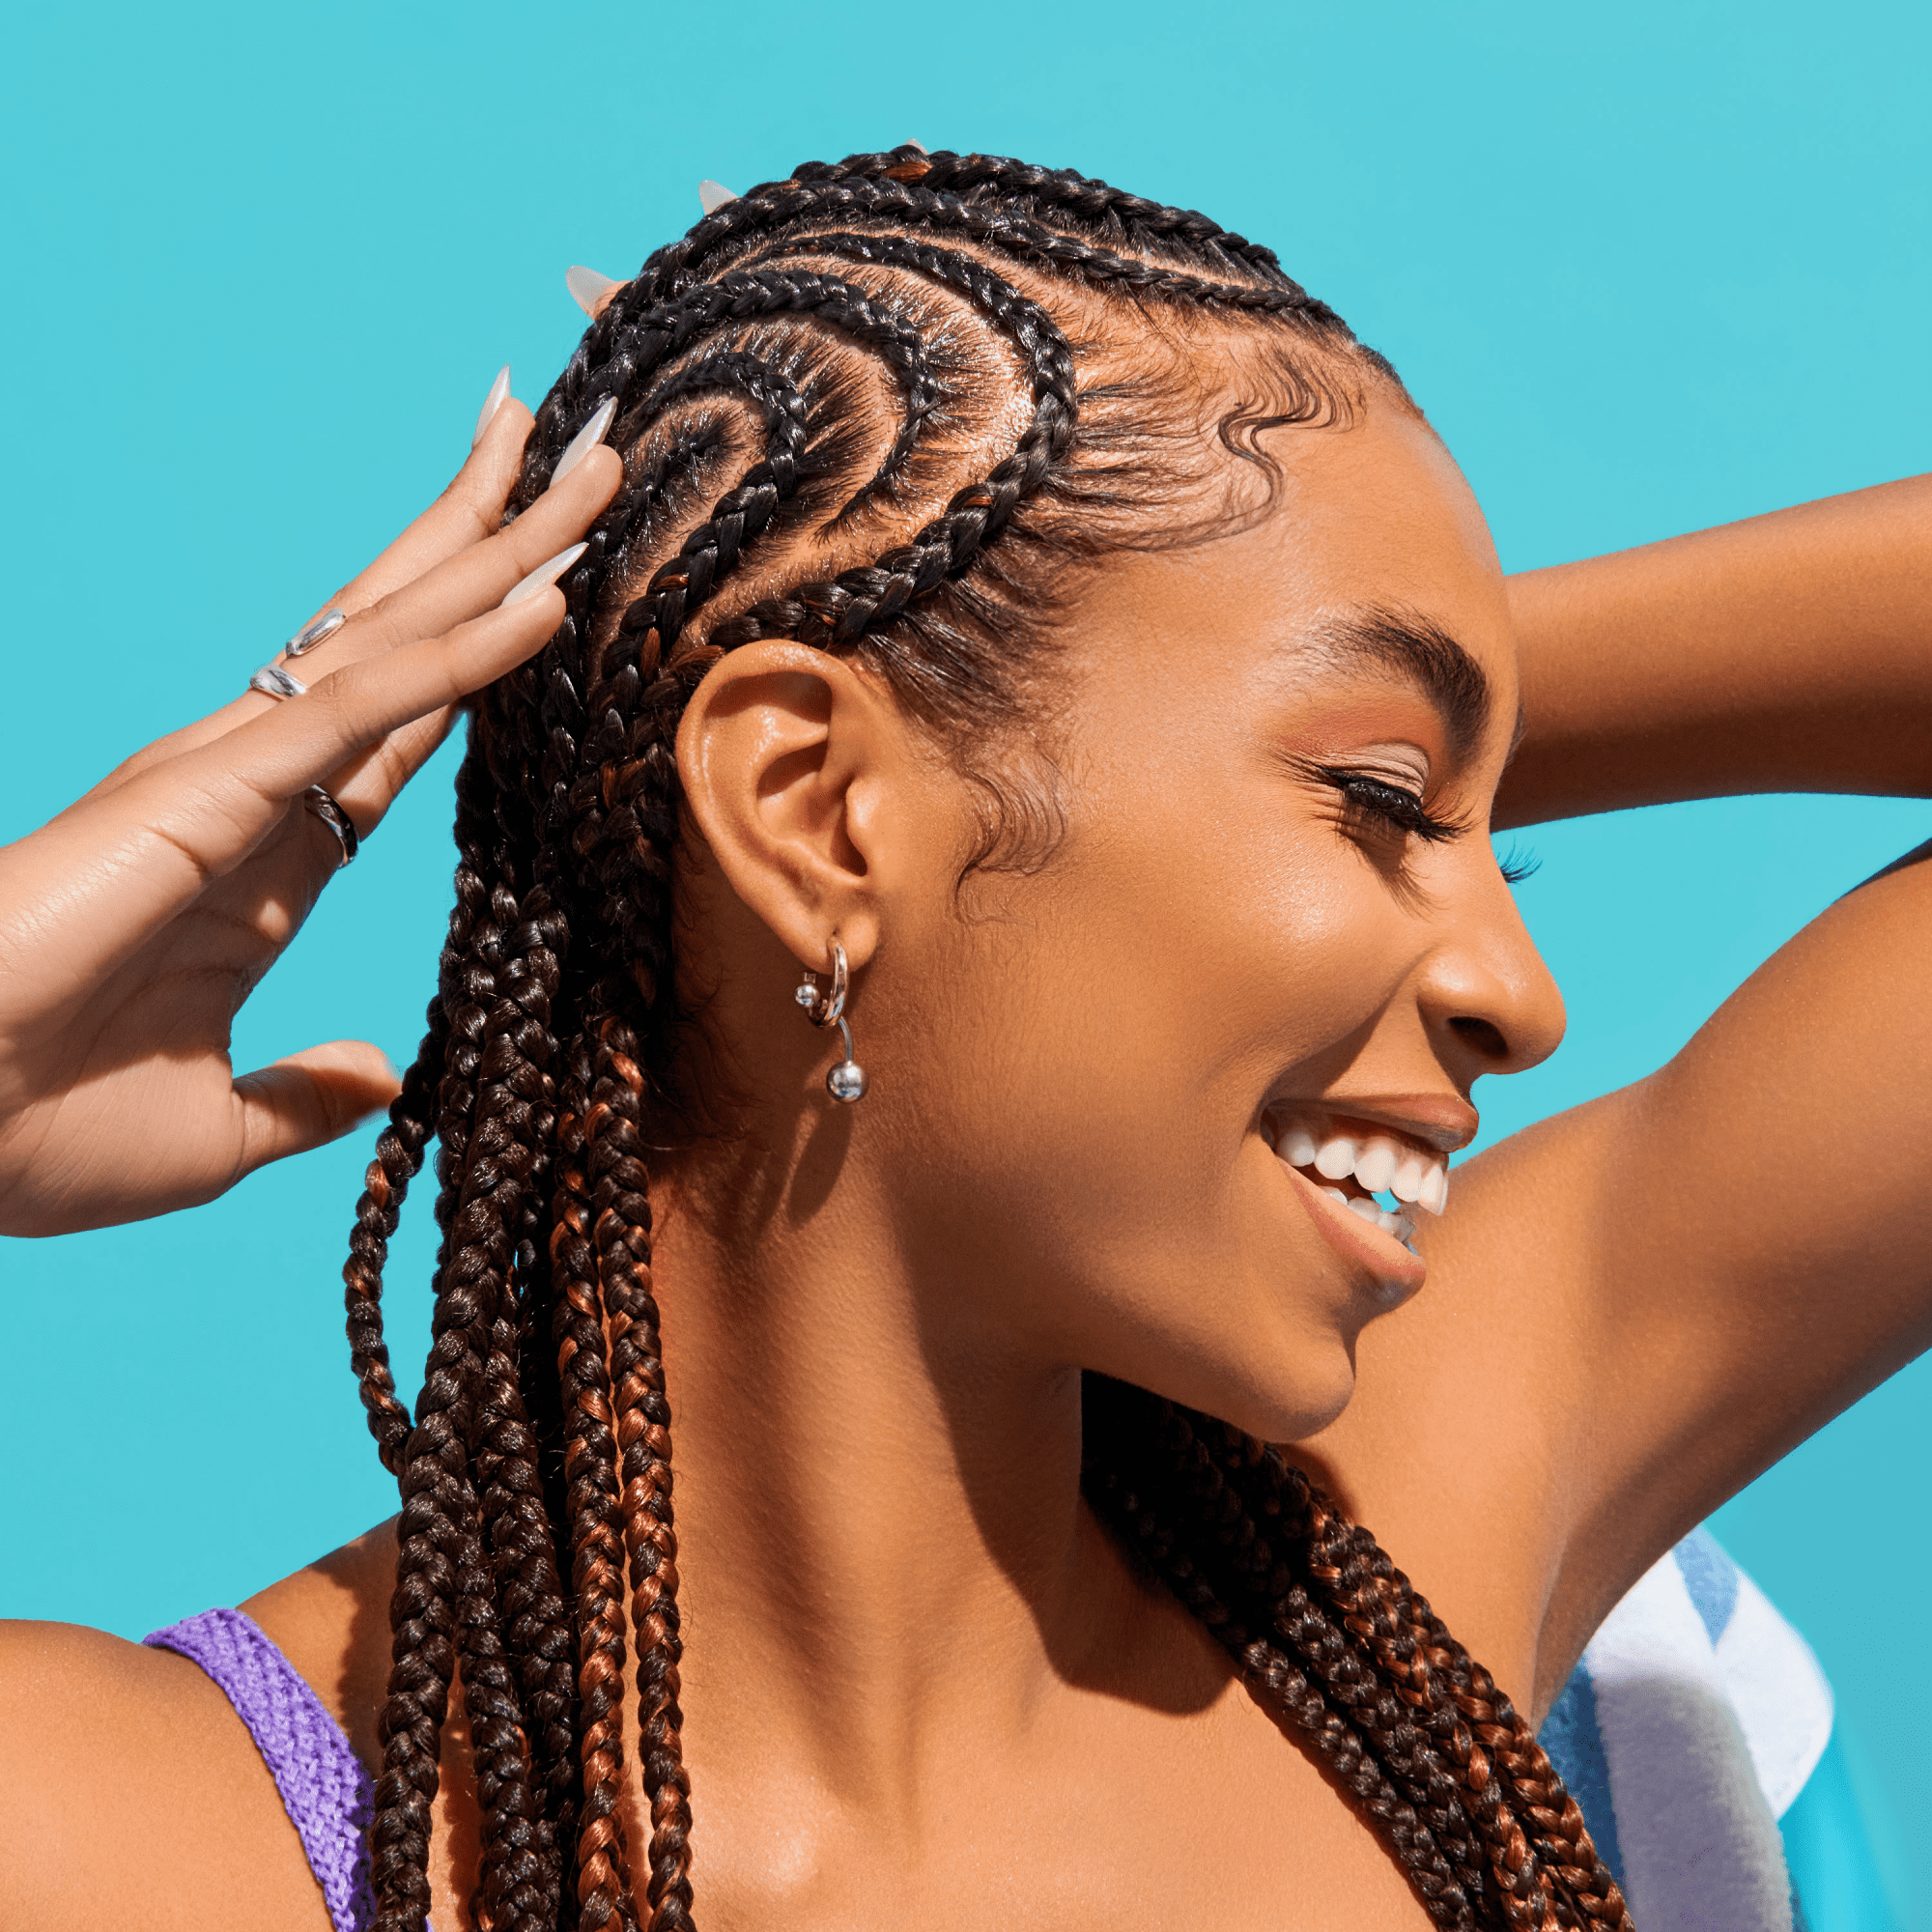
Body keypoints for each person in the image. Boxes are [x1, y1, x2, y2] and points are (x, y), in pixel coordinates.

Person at [0, 145, 1925, 1932]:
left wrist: (1328, 688)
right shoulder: (139, 1838)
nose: (1522, 994)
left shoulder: (1395, 1577)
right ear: (815, 809)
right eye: (1377, 806)